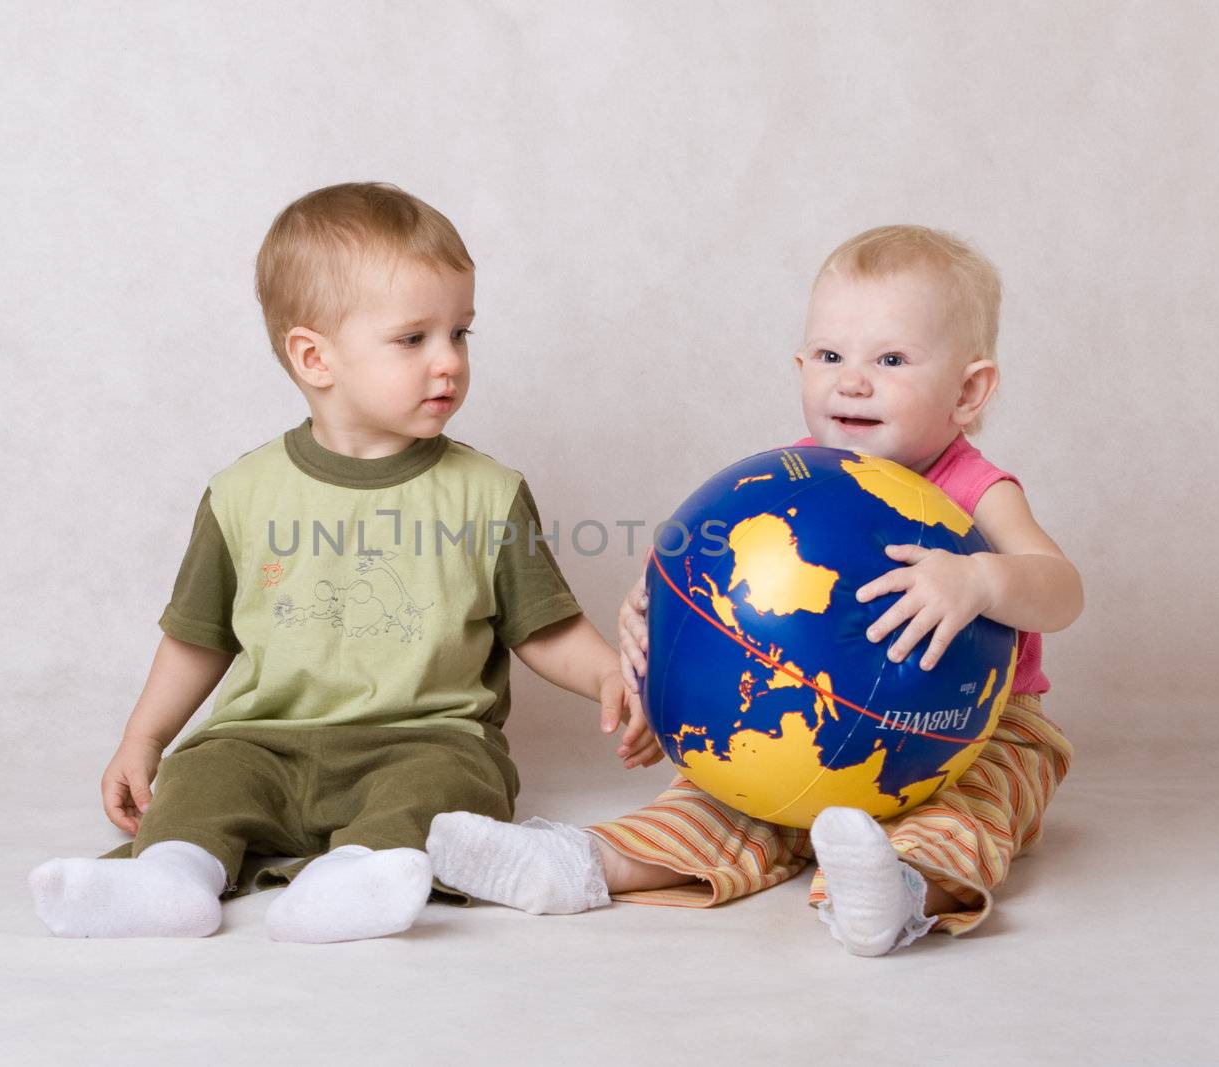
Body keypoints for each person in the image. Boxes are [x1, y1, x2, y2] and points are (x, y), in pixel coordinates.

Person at [428, 225, 1082, 957]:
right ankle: (578, 864)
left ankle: (893, 892)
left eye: (891, 359)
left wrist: (980, 576)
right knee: (714, 800)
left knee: (968, 815)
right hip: (793, 731)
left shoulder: (973, 489)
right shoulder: (785, 482)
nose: (852, 380)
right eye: (830, 356)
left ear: (968, 390)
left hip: (969, 735)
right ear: (802, 363)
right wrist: (643, 630)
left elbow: (1060, 590)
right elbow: (685, 579)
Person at [29, 182, 657, 942]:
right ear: (314, 356)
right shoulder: (241, 494)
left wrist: (607, 677)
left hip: (424, 735)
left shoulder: (489, 494)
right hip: (266, 736)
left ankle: (359, 873)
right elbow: (199, 636)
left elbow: (543, 628)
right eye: (413, 338)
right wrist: (144, 739)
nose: (448, 361)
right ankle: (171, 876)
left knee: (450, 789)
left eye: (460, 333)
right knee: (204, 776)